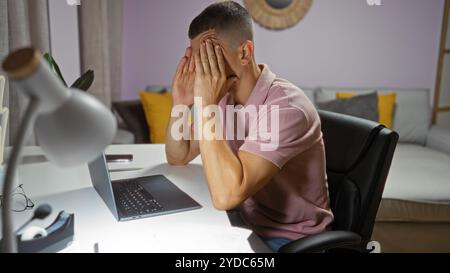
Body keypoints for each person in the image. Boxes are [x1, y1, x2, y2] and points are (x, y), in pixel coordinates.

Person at [165, 1, 333, 252]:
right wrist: (181, 103)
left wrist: (207, 104)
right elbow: (179, 155)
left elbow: (226, 196)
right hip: (246, 223)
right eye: (198, 59)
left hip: (291, 239)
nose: (202, 69)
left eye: (210, 57)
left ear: (244, 53)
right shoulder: (222, 98)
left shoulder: (286, 109)